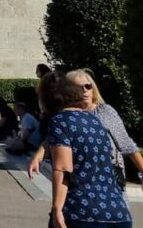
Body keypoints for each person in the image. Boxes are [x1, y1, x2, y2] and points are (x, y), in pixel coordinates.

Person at [37, 70, 132, 228]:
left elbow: (63, 169)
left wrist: (57, 209)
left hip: (82, 211)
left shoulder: (59, 121)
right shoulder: (94, 120)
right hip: (118, 211)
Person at [66, 69, 143, 189]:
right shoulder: (66, 117)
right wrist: (39, 156)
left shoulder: (104, 111)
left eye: (88, 86)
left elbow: (127, 144)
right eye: (79, 87)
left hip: (109, 180)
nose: (85, 90)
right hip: (78, 182)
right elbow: (54, 141)